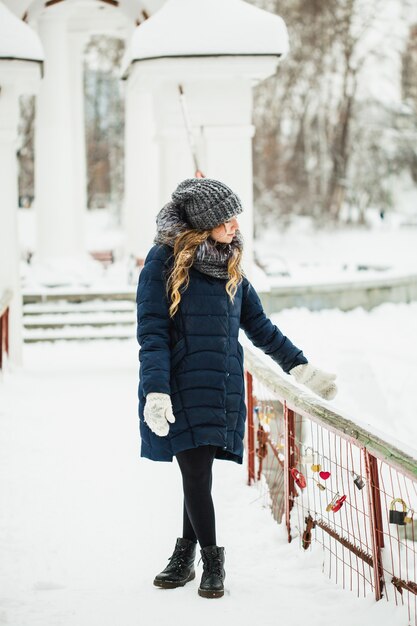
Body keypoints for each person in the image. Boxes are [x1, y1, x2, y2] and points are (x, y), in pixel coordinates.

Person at [136, 177, 337, 599]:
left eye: (235, 218)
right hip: (180, 388)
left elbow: (260, 327)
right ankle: (212, 560)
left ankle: (184, 554)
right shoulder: (162, 262)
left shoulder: (229, 265)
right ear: (204, 222)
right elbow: (152, 331)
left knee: (198, 476)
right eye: (227, 219)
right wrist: (155, 390)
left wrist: (300, 367)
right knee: (194, 473)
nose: (235, 226)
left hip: (222, 387)